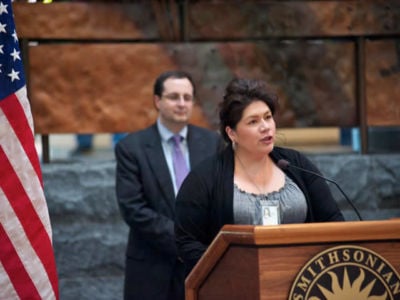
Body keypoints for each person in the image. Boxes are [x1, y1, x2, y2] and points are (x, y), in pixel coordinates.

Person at [175, 77, 345, 275]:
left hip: (303, 282)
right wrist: (231, 272)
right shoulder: (204, 178)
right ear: (232, 133)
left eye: (268, 117)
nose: (265, 127)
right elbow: (187, 242)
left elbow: (333, 221)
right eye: (253, 121)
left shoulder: (296, 165)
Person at [114, 70, 223, 300]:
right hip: (152, 270)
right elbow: (133, 208)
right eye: (174, 97)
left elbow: (222, 197)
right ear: (157, 101)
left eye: (187, 97)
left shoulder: (212, 143)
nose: (182, 104)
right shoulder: (131, 148)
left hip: (202, 268)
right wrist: (184, 241)